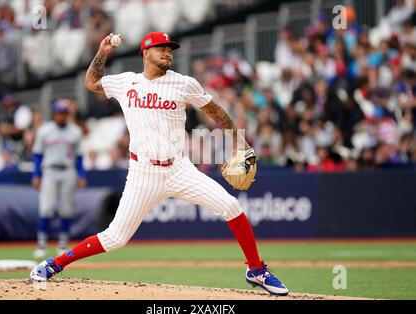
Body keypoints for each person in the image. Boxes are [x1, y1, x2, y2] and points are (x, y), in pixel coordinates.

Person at [30, 32, 288, 296]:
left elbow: (215, 110)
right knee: (116, 238)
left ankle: (256, 270)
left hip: (179, 169)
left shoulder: (184, 84)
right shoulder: (126, 83)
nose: (168, 52)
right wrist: (103, 52)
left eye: (170, 49)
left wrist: (239, 141)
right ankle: (55, 264)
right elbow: (92, 82)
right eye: (161, 48)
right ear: (145, 53)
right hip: (143, 173)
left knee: (231, 205)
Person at [31, 98, 87, 259]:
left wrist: (82, 175)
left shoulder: (75, 131)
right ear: (54, 114)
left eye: (64, 113)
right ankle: (41, 244)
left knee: (66, 208)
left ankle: (62, 243)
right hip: (49, 170)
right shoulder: (44, 130)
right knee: (46, 208)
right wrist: (36, 175)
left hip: (68, 171)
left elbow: (79, 157)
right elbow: (37, 155)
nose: (61, 116)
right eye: (59, 113)